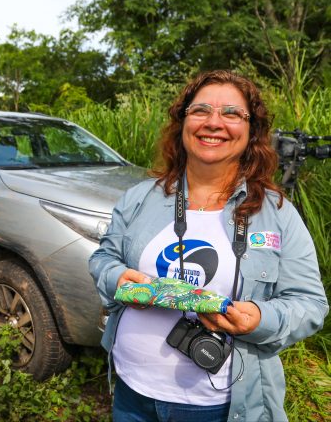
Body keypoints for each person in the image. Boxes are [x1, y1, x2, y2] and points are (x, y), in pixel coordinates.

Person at [89, 70, 328, 422]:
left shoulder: (277, 214)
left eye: (231, 113)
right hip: (131, 394)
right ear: (182, 122)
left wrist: (259, 318)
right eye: (200, 110)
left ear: (251, 132)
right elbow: (103, 258)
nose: (214, 123)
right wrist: (117, 279)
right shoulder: (139, 198)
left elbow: (310, 304)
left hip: (220, 407)